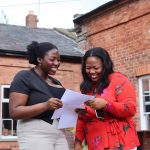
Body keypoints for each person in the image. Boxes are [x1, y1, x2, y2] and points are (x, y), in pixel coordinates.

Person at [74, 47, 140, 150]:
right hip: (95, 143)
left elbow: (131, 109)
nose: (91, 71)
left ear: (105, 65)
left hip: (120, 141)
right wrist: (78, 142)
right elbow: (82, 118)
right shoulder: (86, 87)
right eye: (88, 68)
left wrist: (106, 104)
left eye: (96, 68)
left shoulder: (119, 80)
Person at [9, 41, 69, 150]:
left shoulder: (56, 83)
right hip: (35, 133)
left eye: (59, 60)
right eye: (52, 59)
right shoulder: (25, 76)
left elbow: (60, 111)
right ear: (39, 59)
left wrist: (74, 109)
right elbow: (14, 112)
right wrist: (45, 105)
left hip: (59, 133)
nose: (57, 63)